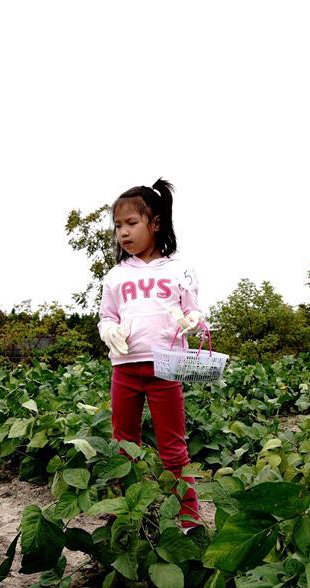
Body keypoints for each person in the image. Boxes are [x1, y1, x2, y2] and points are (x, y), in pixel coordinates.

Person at [97, 178, 204, 530]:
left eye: (131, 224)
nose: (123, 233)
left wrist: (193, 322)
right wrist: (108, 330)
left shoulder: (178, 269)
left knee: (174, 448)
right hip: (124, 369)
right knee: (124, 446)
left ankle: (188, 519)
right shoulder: (115, 276)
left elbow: (195, 312)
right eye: (118, 227)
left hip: (167, 368)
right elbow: (107, 316)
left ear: (155, 224)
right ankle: (124, 517)